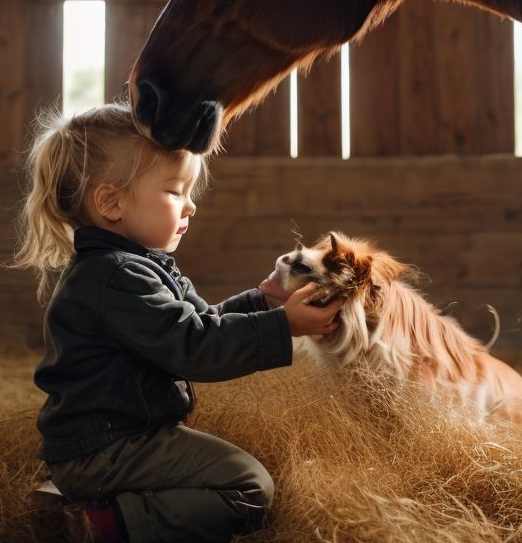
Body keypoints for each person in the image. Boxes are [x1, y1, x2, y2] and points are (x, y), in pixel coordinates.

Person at [18, 103, 341, 543]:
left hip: (113, 440)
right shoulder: (118, 276)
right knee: (249, 488)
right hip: (108, 448)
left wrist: (265, 301)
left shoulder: (139, 265)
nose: (190, 206)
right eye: (174, 191)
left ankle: (82, 497)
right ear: (111, 202)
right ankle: (98, 525)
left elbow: (202, 322)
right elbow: (194, 347)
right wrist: (283, 326)